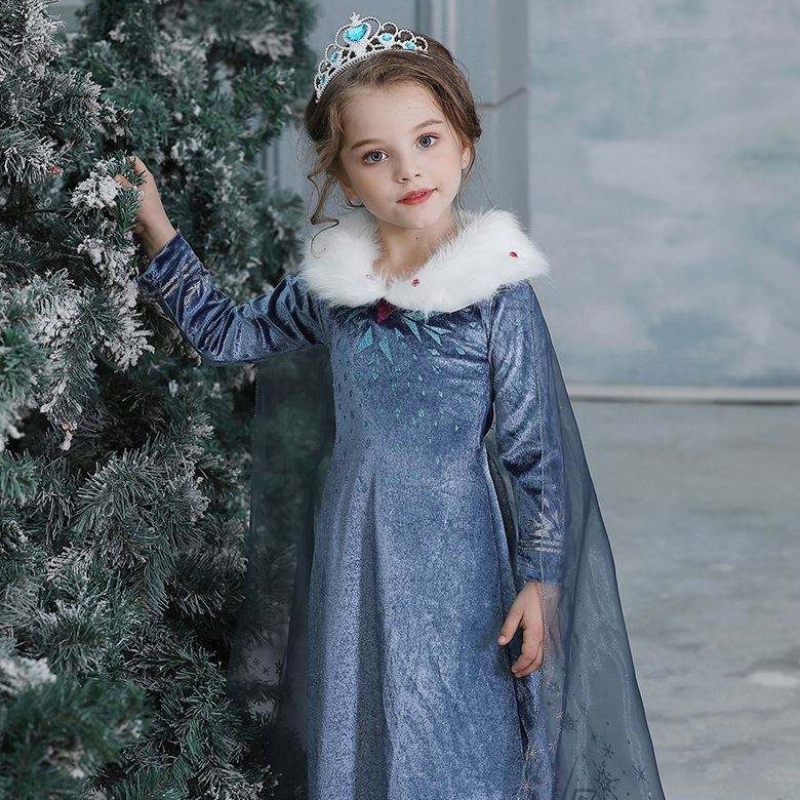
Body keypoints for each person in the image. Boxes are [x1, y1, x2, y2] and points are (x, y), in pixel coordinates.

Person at [115, 12, 667, 800]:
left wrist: (541, 582)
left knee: (456, 716)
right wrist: (156, 226)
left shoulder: (495, 294)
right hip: (357, 543)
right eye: (376, 155)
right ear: (345, 178)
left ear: (465, 144)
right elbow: (229, 334)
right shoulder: (336, 290)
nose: (409, 170)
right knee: (364, 713)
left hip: (458, 553)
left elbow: (534, 452)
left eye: (427, 140)